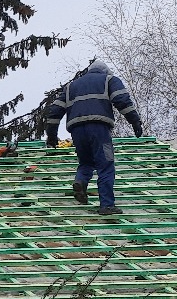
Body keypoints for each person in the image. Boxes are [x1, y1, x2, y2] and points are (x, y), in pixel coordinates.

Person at [40, 57, 144, 215]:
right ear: (105, 71)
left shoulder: (71, 86)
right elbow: (122, 101)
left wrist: (51, 135)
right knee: (106, 164)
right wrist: (135, 122)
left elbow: (55, 110)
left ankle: (80, 182)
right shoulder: (109, 80)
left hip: (77, 130)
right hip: (99, 128)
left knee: (86, 162)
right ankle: (107, 205)